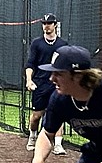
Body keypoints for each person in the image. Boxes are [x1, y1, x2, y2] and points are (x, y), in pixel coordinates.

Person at [25, 13, 69, 154]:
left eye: (49, 23)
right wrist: (29, 80)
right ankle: (32, 136)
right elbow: (30, 63)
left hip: (57, 84)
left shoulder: (63, 44)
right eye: (44, 24)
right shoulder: (37, 43)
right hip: (40, 83)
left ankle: (57, 144)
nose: (46, 26)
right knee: (37, 115)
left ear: (55, 25)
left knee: (58, 113)